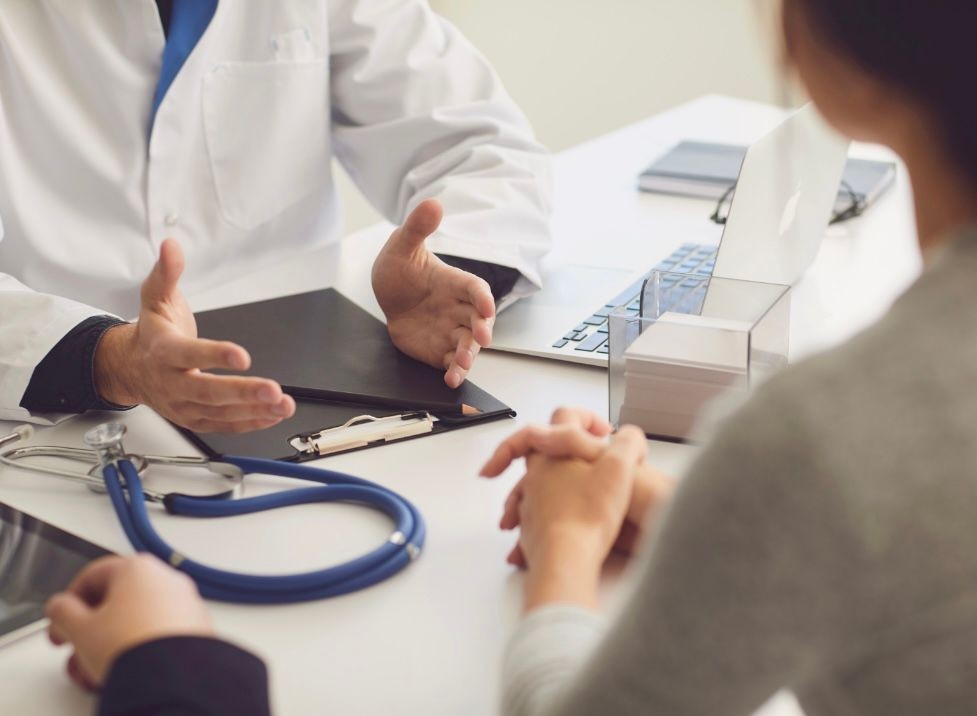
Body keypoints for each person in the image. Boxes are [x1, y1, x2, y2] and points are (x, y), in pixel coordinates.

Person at [482, 1, 977, 714]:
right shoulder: (831, 458)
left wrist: (564, 539)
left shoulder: (818, 437)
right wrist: (717, 519)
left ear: (805, 42)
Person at [0, 0, 552, 433]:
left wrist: (448, 273)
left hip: (314, 394)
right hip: (54, 417)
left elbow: (482, 145)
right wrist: (111, 358)